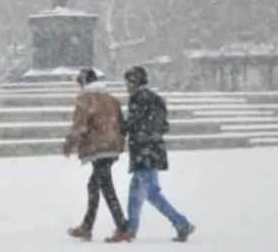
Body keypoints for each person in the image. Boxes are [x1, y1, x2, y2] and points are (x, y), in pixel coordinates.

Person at [123, 66, 195, 242]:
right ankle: (130, 228)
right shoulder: (155, 98)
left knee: (151, 193)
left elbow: (134, 126)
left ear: (135, 81)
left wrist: (121, 126)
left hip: (143, 151)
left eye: (128, 81)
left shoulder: (137, 99)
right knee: (137, 191)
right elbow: (164, 126)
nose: (126, 85)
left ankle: (181, 223)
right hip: (154, 150)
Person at [64, 68, 130, 243]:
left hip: (97, 147)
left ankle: (122, 226)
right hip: (112, 146)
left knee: (106, 187)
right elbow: (122, 125)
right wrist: (117, 141)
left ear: (83, 83)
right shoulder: (112, 100)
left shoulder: (85, 99)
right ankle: (87, 226)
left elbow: (79, 124)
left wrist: (69, 143)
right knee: (94, 185)